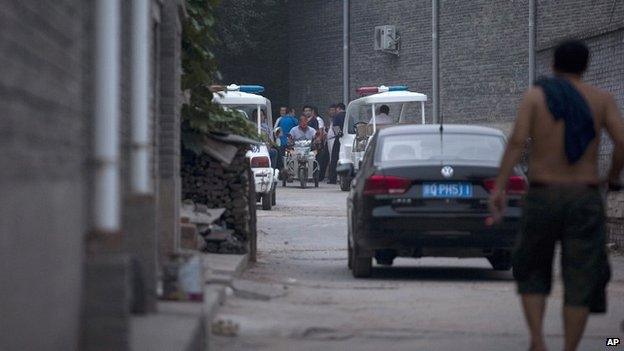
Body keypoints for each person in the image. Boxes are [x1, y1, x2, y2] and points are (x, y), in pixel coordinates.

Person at [489, 40, 624, 351]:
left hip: (543, 194)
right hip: (584, 195)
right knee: (580, 275)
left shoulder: (536, 97)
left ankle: (537, 341)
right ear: (586, 66)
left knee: (533, 267)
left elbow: (516, 141)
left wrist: (499, 186)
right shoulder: (601, 99)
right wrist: (612, 176)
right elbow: (622, 141)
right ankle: (570, 348)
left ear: (553, 65)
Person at [328, 102, 346, 184]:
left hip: (339, 139)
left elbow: (335, 127)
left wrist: (339, 135)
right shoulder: (349, 115)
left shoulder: (337, 116)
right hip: (347, 139)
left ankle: (332, 178)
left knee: (334, 158)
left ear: (338, 108)